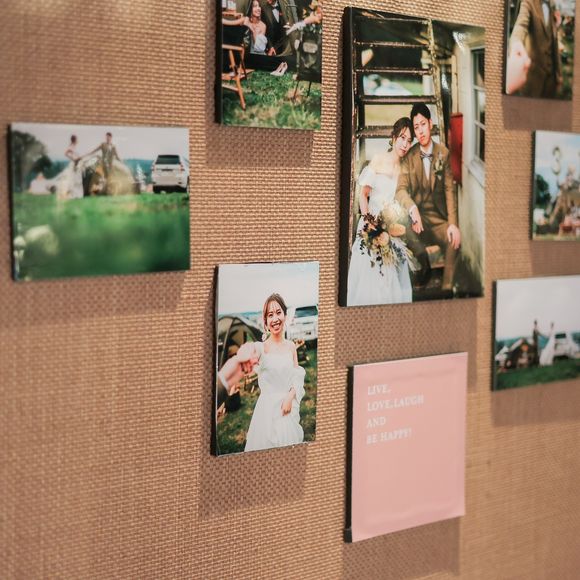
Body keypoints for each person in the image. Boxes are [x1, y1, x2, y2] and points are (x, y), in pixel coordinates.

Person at [224, 293, 306, 452]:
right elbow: (251, 348)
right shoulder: (262, 348)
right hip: (267, 412)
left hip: (286, 410)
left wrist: (290, 397)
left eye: (278, 312)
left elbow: (297, 377)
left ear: (285, 315)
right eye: (270, 315)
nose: (275, 318)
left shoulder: (291, 347)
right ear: (266, 322)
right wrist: (246, 350)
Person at [347, 117, 414, 306]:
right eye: (402, 138)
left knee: (394, 263)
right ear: (393, 138)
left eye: (409, 141)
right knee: (371, 270)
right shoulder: (379, 160)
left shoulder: (403, 169)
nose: (405, 144)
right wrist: (369, 221)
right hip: (371, 221)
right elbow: (363, 195)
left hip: (388, 224)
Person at [395, 103, 461, 292]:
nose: (420, 131)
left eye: (423, 124)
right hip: (417, 221)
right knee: (402, 228)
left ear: (430, 124)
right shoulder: (409, 156)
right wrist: (412, 208)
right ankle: (424, 265)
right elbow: (400, 190)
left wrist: (453, 224)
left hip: (437, 219)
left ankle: (447, 289)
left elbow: (449, 190)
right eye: (416, 127)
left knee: (454, 241)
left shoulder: (443, 153)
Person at [506, 0, 562, 98]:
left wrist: (556, 25)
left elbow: (550, 36)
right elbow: (521, 25)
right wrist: (516, 43)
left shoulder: (551, 5)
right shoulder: (528, 3)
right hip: (534, 79)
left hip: (551, 80)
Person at [53, 135, 84, 200]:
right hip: (74, 164)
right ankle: (74, 194)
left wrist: (79, 158)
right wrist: (73, 159)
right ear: (74, 140)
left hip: (78, 163)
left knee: (78, 179)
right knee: (74, 179)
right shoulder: (71, 147)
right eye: (76, 139)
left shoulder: (75, 147)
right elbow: (66, 153)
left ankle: (78, 195)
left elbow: (76, 155)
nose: (77, 141)